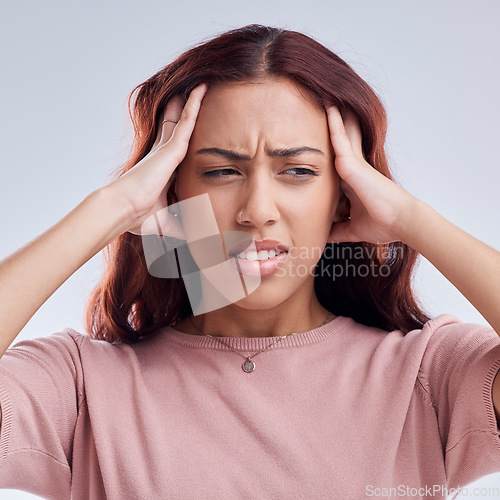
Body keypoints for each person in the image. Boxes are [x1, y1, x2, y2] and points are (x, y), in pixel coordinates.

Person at [0, 23, 499, 499]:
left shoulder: (428, 376)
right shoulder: (82, 387)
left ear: (346, 195)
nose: (257, 211)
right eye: (220, 171)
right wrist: (112, 208)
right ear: (171, 191)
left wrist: (412, 218)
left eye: (298, 170)